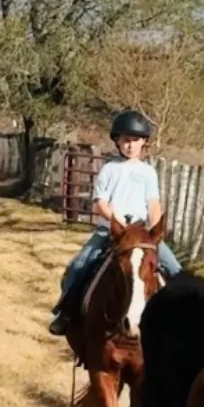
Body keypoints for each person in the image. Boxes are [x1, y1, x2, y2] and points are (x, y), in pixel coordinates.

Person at [48, 109, 182, 336]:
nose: (130, 145)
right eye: (125, 140)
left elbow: (153, 203)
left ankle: (180, 319)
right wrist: (116, 221)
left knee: (176, 270)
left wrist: (155, 230)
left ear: (143, 143)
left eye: (135, 140)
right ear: (117, 141)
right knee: (79, 265)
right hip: (111, 231)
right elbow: (100, 203)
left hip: (141, 232)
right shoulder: (109, 169)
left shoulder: (149, 172)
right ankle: (66, 312)